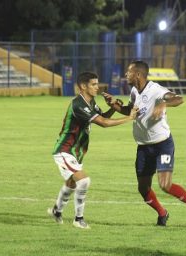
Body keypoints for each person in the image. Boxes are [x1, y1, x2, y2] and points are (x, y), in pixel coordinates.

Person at [102, 60, 186, 228]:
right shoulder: (134, 91)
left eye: (128, 72)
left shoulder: (156, 90)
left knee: (165, 185)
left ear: (138, 74)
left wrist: (163, 103)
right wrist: (115, 106)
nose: (126, 75)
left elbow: (179, 99)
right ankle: (162, 213)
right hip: (144, 147)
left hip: (162, 145)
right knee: (143, 188)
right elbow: (131, 111)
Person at [48, 71, 138, 229]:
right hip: (64, 150)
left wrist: (113, 107)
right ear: (83, 86)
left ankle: (57, 211)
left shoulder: (91, 103)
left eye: (97, 84)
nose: (98, 87)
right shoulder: (78, 104)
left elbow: (102, 116)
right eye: (94, 84)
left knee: (71, 183)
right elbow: (103, 123)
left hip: (76, 152)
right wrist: (129, 118)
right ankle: (78, 219)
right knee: (83, 181)